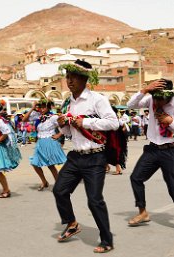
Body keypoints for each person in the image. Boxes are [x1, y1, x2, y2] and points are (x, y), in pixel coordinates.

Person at [54, 60, 118, 253]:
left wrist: (86, 122)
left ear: (84, 79)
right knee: (59, 190)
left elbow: (113, 123)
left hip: (95, 157)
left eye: (73, 77)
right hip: (75, 156)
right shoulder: (68, 102)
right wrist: (62, 123)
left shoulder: (96, 99)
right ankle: (72, 223)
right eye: (67, 77)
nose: (69, 80)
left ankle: (106, 240)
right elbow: (67, 133)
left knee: (94, 200)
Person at [127, 79, 174, 226]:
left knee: (173, 186)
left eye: (161, 98)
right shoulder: (150, 99)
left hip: (171, 150)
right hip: (153, 149)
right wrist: (145, 90)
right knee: (136, 177)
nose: (158, 102)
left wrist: (170, 121)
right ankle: (142, 212)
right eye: (156, 97)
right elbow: (131, 105)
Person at [22, 98, 66, 191]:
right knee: (35, 164)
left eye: (44, 107)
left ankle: (59, 184)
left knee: (51, 165)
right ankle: (44, 181)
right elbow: (24, 119)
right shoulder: (37, 116)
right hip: (40, 142)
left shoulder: (53, 117)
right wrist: (33, 108)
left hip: (49, 141)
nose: (41, 109)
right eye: (40, 107)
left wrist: (59, 134)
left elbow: (64, 125)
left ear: (49, 107)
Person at [106, 106, 128, 175]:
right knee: (106, 151)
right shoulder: (110, 118)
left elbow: (124, 126)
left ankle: (118, 169)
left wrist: (121, 131)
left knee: (115, 152)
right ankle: (106, 167)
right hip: (110, 138)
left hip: (115, 139)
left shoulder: (116, 119)